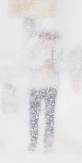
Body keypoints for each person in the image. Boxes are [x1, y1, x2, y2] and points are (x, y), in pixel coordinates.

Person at [27, 23, 61, 151]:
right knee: (34, 117)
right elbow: (28, 63)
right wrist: (42, 64)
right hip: (35, 86)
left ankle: (48, 143)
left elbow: (63, 65)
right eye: (45, 34)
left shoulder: (58, 48)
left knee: (49, 117)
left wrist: (55, 66)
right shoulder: (32, 46)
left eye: (50, 34)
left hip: (51, 86)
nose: (48, 37)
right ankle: (33, 141)